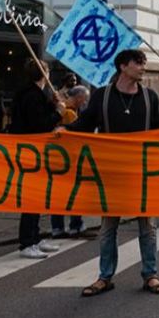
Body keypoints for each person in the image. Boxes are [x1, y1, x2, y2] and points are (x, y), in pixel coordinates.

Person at [62, 49, 159, 297]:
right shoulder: (102, 96)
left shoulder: (149, 97)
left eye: (143, 63)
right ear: (123, 66)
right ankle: (105, 277)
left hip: (142, 174)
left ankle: (150, 274)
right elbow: (85, 124)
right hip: (111, 174)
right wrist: (65, 130)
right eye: (138, 63)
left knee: (148, 227)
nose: (143, 67)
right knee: (108, 228)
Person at [11, 59, 67, 259]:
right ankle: (27, 241)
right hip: (32, 151)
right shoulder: (33, 96)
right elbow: (40, 126)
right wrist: (58, 113)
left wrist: (52, 105)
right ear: (45, 74)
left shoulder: (31, 94)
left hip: (31, 150)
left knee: (37, 197)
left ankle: (34, 237)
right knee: (32, 198)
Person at [53, 85, 94, 239]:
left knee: (59, 194)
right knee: (73, 193)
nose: (85, 103)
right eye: (85, 99)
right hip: (70, 159)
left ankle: (59, 227)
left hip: (61, 158)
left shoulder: (63, 109)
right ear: (79, 97)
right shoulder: (69, 114)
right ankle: (75, 225)